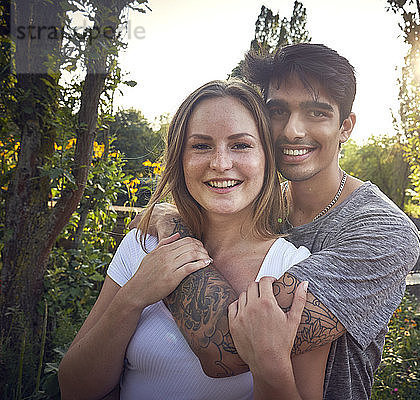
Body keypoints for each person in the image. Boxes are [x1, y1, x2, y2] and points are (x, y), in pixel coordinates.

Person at [145, 43, 420, 399]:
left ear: (345, 127)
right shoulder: (257, 203)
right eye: (278, 111)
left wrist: (174, 231)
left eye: (317, 113)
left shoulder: (383, 231)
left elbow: (229, 348)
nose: (292, 130)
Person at [58, 80, 327, 400]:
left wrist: (270, 365)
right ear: (180, 159)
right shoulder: (142, 245)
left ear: (266, 158)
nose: (221, 163)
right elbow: (73, 387)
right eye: (201, 146)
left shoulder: (294, 270)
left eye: (240, 145)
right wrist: (133, 297)